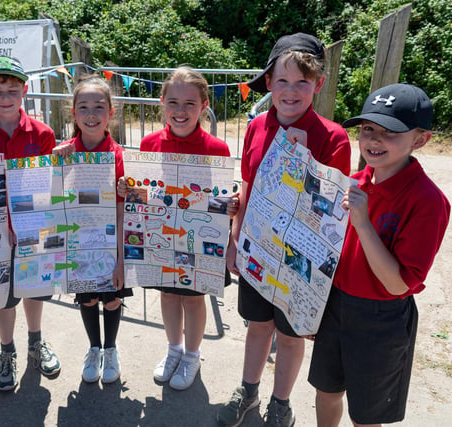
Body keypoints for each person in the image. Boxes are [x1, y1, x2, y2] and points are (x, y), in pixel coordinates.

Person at [218, 33, 351, 427]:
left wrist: (305, 159)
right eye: (282, 82)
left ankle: (281, 403)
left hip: (300, 257)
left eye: (301, 83)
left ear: (318, 84)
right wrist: (234, 239)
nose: (290, 92)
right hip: (258, 245)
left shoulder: (334, 137)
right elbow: (246, 185)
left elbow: (330, 213)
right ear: (269, 83)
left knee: (291, 337)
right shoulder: (257, 126)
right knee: (258, 326)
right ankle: (248, 390)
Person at [308, 83, 450, 427]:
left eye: (390, 133)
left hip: (380, 318)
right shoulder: (351, 182)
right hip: (336, 303)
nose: (374, 140)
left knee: (366, 413)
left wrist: (363, 222)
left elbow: (398, 284)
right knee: (325, 392)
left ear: (420, 140)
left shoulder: (428, 201)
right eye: (368, 129)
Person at [119, 66, 233, 391]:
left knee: (194, 299)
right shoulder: (149, 143)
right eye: (173, 102)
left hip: (197, 240)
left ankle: (192, 355)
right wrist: (129, 189)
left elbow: (215, 203)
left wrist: (229, 206)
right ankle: (174, 349)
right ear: (162, 102)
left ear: (204, 105)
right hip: (160, 236)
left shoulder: (217, 150)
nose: (180, 111)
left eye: (189, 104)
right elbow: (144, 192)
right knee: (168, 295)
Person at [0, 56, 60, 390]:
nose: (5, 97)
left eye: (12, 89)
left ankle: (36, 342)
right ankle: (7, 351)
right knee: (2, 297)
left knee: (34, 289)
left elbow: (51, 183)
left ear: (25, 90)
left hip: (34, 227)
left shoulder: (43, 133)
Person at [52, 75, 132, 384]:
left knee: (111, 299)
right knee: (86, 299)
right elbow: (48, 200)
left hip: (109, 244)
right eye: (83, 107)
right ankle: (94, 348)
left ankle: (110, 349)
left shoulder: (120, 156)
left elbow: (128, 209)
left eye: (99, 107)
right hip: (76, 242)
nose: (91, 114)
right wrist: (52, 166)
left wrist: (121, 259)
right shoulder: (62, 154)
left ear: (111, 112)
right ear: (73, 113)